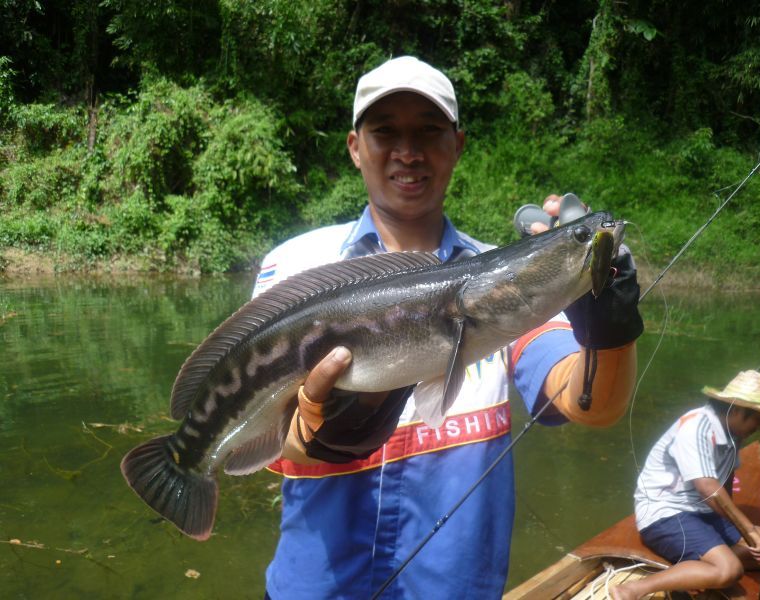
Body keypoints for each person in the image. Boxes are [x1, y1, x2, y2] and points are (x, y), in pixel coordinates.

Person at [252, 56, 643, 599]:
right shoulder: (297, 268)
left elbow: (591, 405)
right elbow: (269, 443)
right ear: (354, 146)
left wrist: (609, 326)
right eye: (385, 131)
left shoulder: (507, 281)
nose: (407, 152)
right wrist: (317, 431)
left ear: (456, 146)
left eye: (428, 132)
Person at [611, 370, 760, 600]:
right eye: (759, 417)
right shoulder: (697, 426)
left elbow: (724, 483)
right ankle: (632, 590)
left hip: (705, 511)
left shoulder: (733, 434)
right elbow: (707, 487)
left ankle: (702, 569)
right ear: (737, 410)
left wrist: (733, 524)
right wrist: (747, 530)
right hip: (667, 512)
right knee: (729, 571)